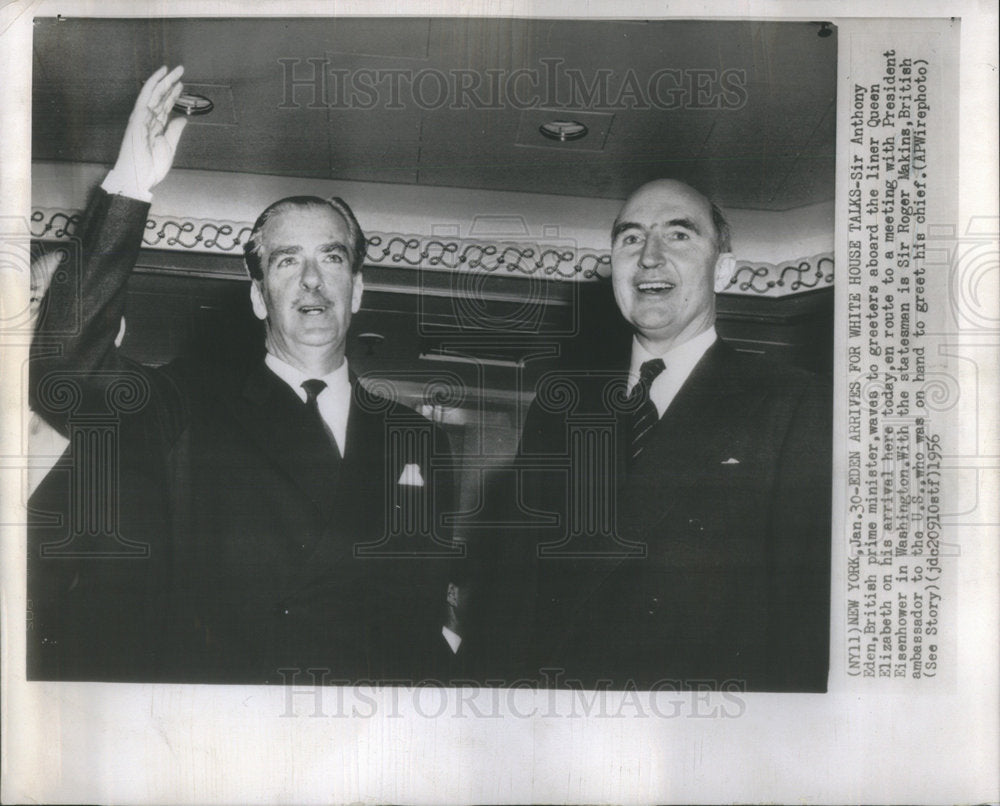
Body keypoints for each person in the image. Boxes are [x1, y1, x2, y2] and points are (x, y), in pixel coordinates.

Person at [30, 66, 462, 684]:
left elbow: (417, 619)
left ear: (358, 289)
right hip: (233, 721)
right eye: (287, 262)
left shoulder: (417, 439)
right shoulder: (190, 401)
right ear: (259, 297)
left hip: (361, 728)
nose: (311, 281)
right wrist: (129, 184)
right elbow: (67, 371)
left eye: (331, 258)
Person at [508, 179, 832, 692]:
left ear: (722, 269)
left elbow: (805, 623)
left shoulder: (793, 404)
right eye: (631, 238)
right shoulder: (557, 411)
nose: (649, 257)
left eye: (679, 235)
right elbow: (516, 599)